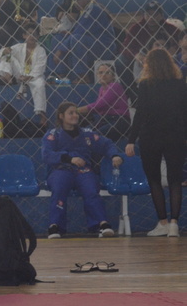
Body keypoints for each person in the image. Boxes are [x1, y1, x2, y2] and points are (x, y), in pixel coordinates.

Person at [125, 49, 187, 237]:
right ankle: (174, 224)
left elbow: (140, 113)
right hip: (175, 136)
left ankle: (163, 222)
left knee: (154, 180)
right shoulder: (180, 84)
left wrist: (131, 140)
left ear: (149, 65)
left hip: (151, 136)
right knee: (175, 180)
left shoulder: (146, 85)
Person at [43, 101, 122, 238]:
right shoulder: (52, 134)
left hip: (83, 170)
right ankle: (55, 226)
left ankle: (102, 224)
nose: (75, 115)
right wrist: (69, 159)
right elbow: (46, 154)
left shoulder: (87, 134)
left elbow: (106, 144)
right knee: (59, 188)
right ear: (61, 116)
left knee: (91, 189)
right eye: (71, 113)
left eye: (76, 113)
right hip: (61, 169)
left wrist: (114, 155)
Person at [52, 0, 116, 83]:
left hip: (104, 46)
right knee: (58, 38)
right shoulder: (84, 11)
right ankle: (60, 75)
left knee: (76, 40)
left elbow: (80, 32)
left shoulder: (94, 9)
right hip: (90, 43)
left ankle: (83, 77)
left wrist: (60, 50)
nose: (75, 2)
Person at [0, 20, 48, 125]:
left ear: (38, 37)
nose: (31, 36)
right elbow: (1, 54)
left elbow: (40, 66)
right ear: (24, 35)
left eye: (34, 34)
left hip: (34, 77)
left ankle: (41, 113)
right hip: (19, 74)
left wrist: (30, 77)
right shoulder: (19, 47)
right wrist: (5, 51)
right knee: (7, 54)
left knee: (40, 84)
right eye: (29, 34)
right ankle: (7, 77)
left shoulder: (41, 50)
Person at [120, 0, 182, 82]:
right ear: (144, 15)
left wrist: (175, 49)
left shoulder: (171, 29)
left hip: (167, 58)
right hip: (142, 57)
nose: (151, 17)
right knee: (120, 61)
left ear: (161, 16)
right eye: (148, 14)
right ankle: (130, 88)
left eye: (155, 14)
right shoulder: (136, 28)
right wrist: (135, 55)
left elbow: (182, 42)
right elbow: (125, 47)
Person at [77, 63, 130, 142]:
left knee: (94, 135)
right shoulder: (102, 89)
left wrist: (76, 110)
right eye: (101, 72)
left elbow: (99, 105)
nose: (103, 75)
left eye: (107, 73)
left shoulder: (115, 86)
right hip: (105, 119)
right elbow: (99, 108)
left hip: (119, 120)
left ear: (113, 76)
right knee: (84, 133)